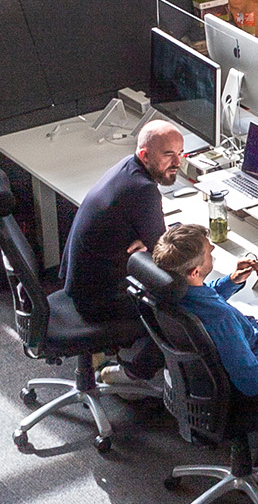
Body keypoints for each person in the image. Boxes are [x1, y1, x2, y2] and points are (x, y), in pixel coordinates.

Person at [66, 120, 182, 392]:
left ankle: (104, 354)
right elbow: (165, 256)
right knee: (179, 309)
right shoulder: (143, 190)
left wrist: (150, 238)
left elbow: (153, 242)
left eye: (180, 153)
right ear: (145, 155)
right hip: (98, 301)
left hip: (80, 284)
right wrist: (163, 240)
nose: (177, 162)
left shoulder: (126, 169)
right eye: (168, 155)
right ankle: (131, 373)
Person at [150, 223, 258, 398]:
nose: (213, 247)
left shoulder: (170, 289)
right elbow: (252, 382)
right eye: (208, 251)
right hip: (257, 375)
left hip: (201, 377)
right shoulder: (221, 318)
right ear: (194, 272)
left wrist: (231, 281)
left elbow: (204, 296)